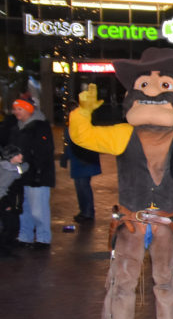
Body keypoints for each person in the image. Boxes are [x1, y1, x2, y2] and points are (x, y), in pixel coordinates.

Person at [68, 49, 173, 319]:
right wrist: (82, 111)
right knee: (121, 283)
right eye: (144, 85)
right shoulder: (122, 135)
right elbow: (83, 135)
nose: (153, 93)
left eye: (164, 87)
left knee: (169, 278)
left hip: (168, 225)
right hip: (131, 223)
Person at [6, 94, 55, 250]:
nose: (16, 112)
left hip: (36, 175)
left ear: (28, 110)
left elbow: (44, 152)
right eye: (15, 109)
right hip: (22, 175)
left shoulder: (40, 127)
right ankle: (25, 236)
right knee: (24, 208)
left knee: (38, 209)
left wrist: (37, 171)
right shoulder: (18, 127)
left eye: (19, 109)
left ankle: (43, 239)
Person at [62, 124, 101, 223]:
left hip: (84, 161)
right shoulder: (72, 126)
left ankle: (87, 213)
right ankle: (84, 212)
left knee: (83, 187)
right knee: (80, 187)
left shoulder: (83, 126)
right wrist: (65, 157)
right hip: (79, 161)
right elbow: (68, 143)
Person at [0, 145, 27, 253]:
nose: (21, 156)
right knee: (11, 224)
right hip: (2, 199)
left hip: (3, 198)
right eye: (17, 154)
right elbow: (21, 170)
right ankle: (4, 248)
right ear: (11, 157)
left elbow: (21, 169)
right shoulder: (9, 171)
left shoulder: (6, 166)